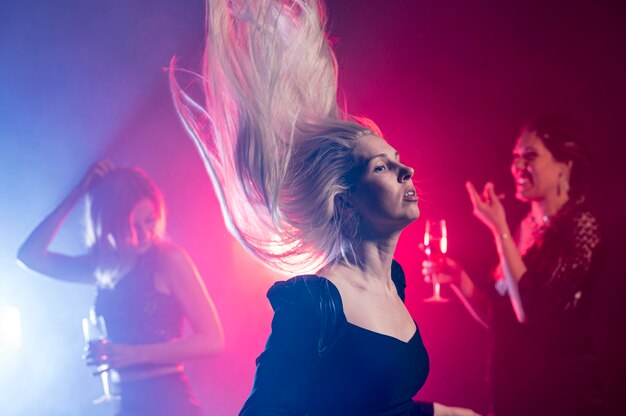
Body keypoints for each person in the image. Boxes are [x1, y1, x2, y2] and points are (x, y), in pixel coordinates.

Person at [170, 1, 480, 415]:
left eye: (398, 159)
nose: (406, 170)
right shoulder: (313, 304)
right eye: (381, 167)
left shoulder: (394, 281)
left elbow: (380, 402)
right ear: (344, 199)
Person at [426, 116, 606, 415]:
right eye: (516, 158)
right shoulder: (520, 227)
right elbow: (500, 319)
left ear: (564, 166)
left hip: (563, 400)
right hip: (512, 395)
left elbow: (530, 311)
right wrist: (458, 279)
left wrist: (499, 230)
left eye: (530, 156)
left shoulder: (581, 227)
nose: (518, 167)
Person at [17, 161, 225, 416]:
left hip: (170, 403)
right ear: (110, 225)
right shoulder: (103, 266)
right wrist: (78, 193)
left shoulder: (168, 260)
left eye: (149, 221)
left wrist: (134, 354)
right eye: (130, 227)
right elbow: (30, 256)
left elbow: (213, 339)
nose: (144, 235)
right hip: (127, 403)